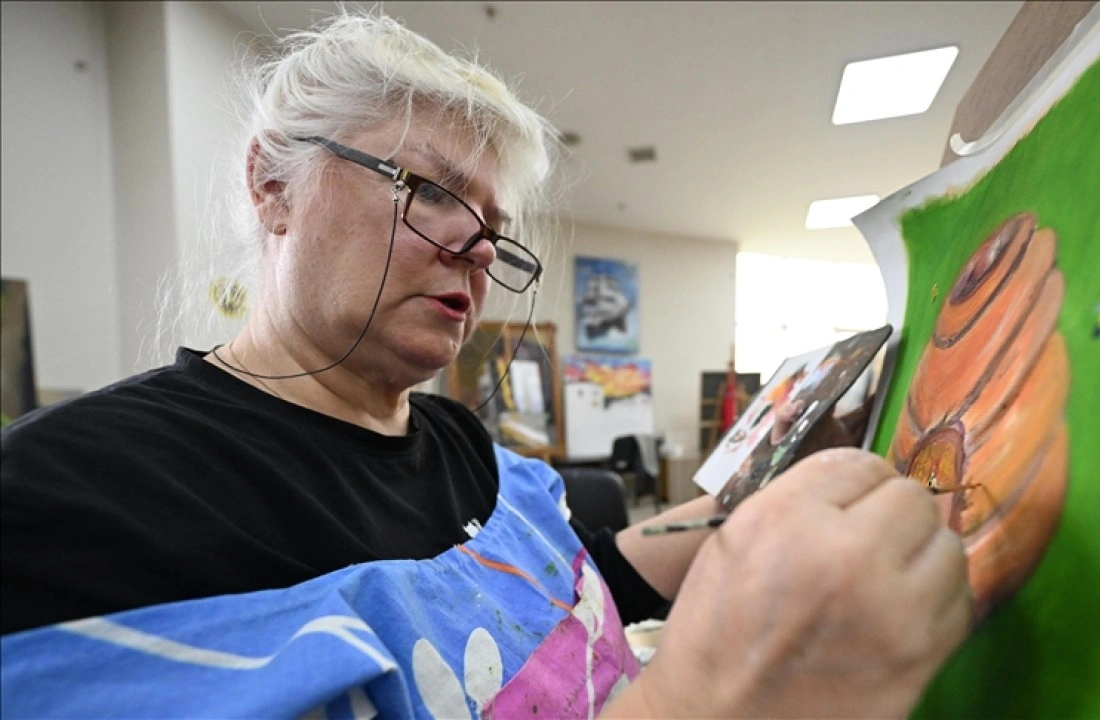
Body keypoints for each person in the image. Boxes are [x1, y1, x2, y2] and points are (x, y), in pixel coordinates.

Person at [0, 10, 971, 718]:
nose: (475, 250)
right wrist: (701, 697)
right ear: (271, 186)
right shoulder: (68, 502)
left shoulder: (461, 441)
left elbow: (577, 588)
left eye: (493, 231)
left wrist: (770, 478)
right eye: (427, 190)